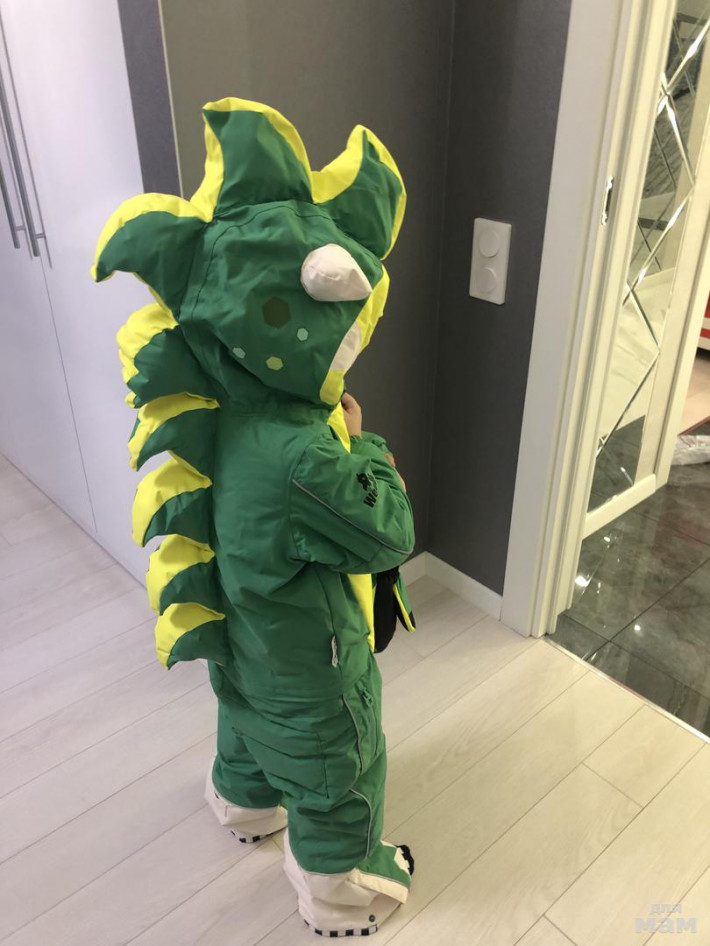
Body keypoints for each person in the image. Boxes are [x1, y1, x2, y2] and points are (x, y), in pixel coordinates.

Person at [93, 96, 415, 936]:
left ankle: (241, 803)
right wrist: (366, 446)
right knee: (339, 761)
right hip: (312, 663)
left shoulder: (232, 415)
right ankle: (340, 887)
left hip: (245, 644)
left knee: (246, 719)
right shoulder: (307, 455)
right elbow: (388, 533)